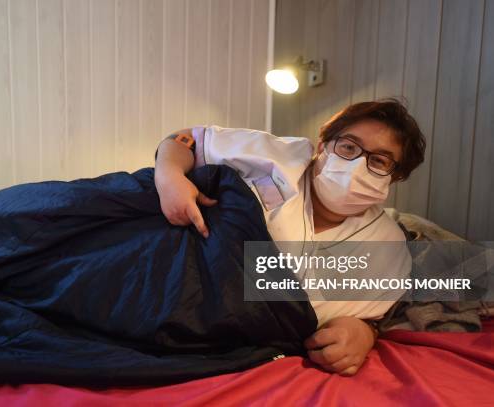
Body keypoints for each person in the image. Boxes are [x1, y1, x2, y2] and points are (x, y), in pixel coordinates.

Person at [153, 98, 426, 376]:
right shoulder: (276, 157)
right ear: (323, 147)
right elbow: (184, 140)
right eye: (347, 147)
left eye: (379, 160)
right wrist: (169, 177)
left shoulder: (386, 246)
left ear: (394, 178)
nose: (356, 165)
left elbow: (365, 316)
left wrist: (364, 332)